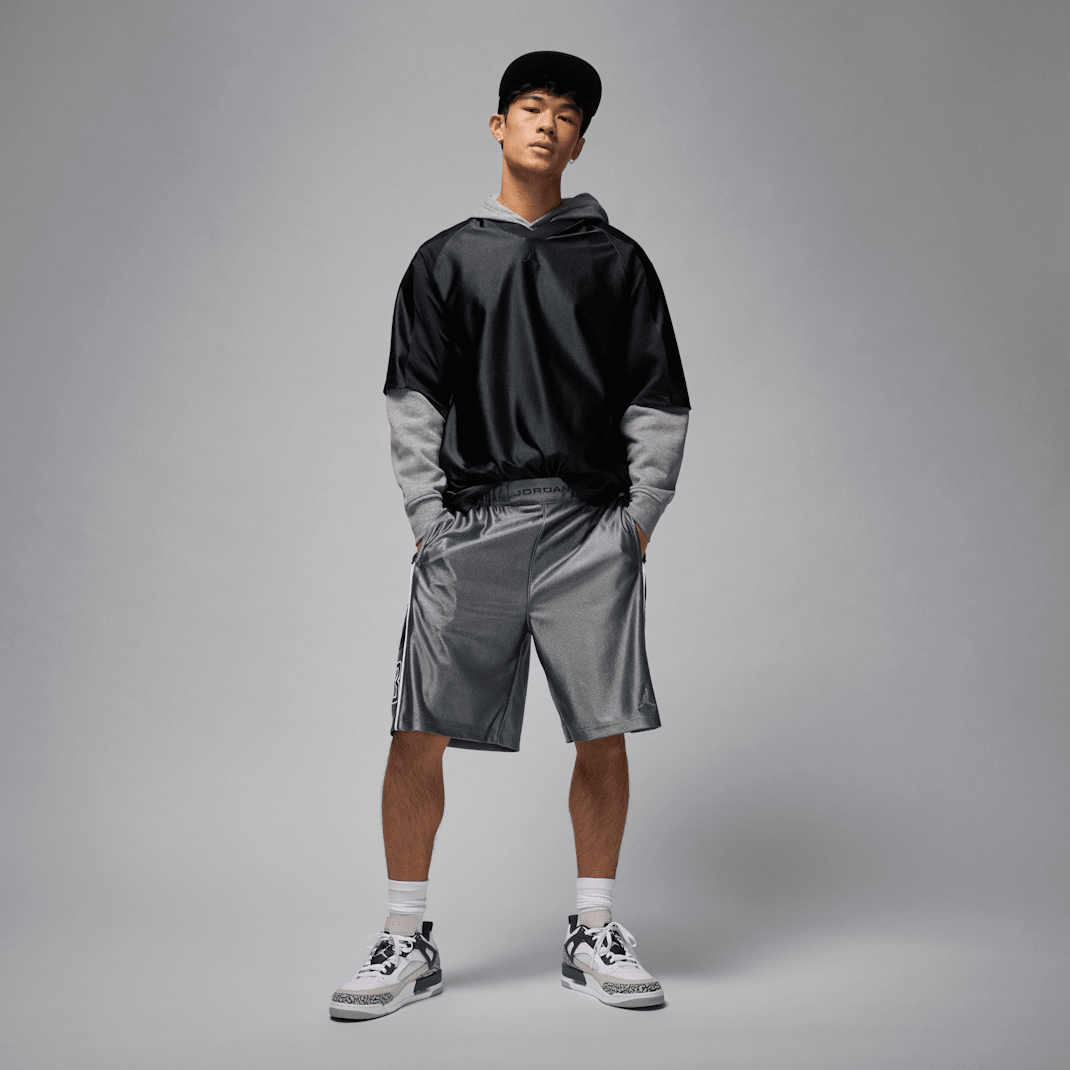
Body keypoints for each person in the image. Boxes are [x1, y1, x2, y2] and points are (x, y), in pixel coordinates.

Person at [330, 51, 689, 1020]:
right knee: (416, 729)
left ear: (580, 141)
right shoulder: (446, 259)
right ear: (498, 125)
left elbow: (657, 398)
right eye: (530, 106)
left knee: (602, 728)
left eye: (566, 113)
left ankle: (593, 928)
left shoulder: (615, 263)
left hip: (586, 525)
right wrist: (427, 522)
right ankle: (405, 937)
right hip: (472, 523)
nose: (546, 123)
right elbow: (412, 397)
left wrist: (636, 524)